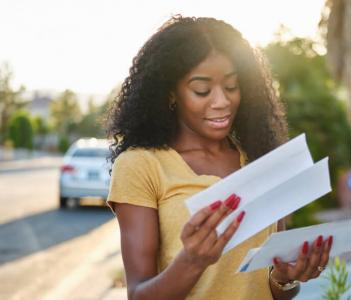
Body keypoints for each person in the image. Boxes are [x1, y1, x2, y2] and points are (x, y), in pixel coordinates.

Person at [106, 16, 333, 300]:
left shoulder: (260, 159)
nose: (222, 101)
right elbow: (138, 294)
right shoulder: (140, 165)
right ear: (170, 93)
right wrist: (192, 261)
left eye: (231, 86)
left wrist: (284, 278)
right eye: (202, 90)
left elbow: (272, 292)